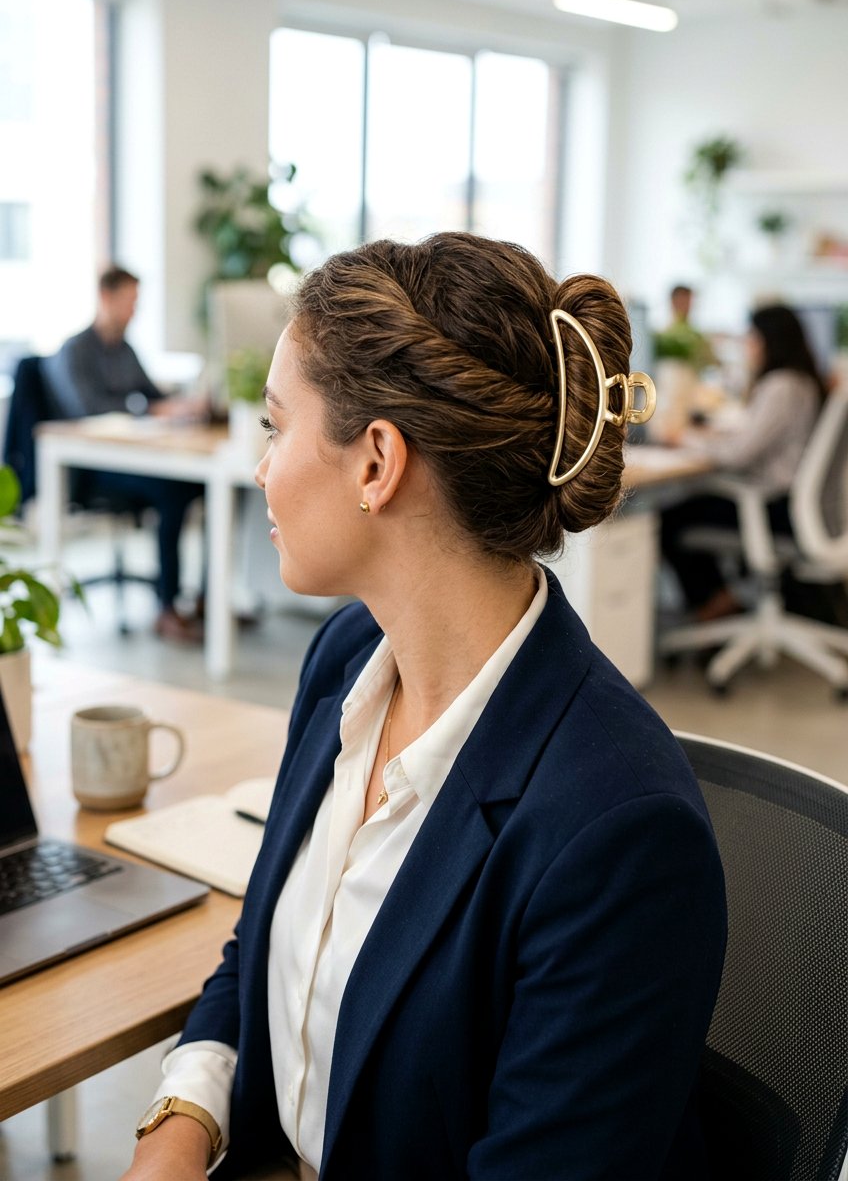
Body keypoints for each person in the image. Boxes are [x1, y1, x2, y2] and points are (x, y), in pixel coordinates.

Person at [121, 233, 727, 1181]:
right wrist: (183, 1119)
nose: (261, 468)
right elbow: (266, 937)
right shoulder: (346, 660)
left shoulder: (618, 835)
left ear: (377, 463)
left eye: (276, 426)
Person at [42, 265, 206, 642]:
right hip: (94, 467)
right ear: (106, 297)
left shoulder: (125, 349)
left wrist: (182, 405)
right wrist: (149, 410)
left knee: (197, 486)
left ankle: (203, 600)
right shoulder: (75, 350)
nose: (134, 310)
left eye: (136, 302)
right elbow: (88, 409)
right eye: (128, 301)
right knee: (173, 491)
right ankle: (167, 607)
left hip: (134, 459)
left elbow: (153, 395)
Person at [661, 302, 827, 622]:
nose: (748, 346)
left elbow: (738, 454)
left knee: (671, 518)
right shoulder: (803, 383)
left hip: (773, 508)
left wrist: (685, 439)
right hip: (794, 505)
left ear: (769, 341)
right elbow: (753, 436)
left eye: (752, 338)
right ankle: (725, 599)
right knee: (692, 504)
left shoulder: (781, 385)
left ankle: (715, 604)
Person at [654, 283, 715, 371]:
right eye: (682, 301)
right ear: (673, 302)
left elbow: (710, 360)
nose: (687, 306)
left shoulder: (697, 336)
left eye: (688, 302)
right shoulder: (662, 336)